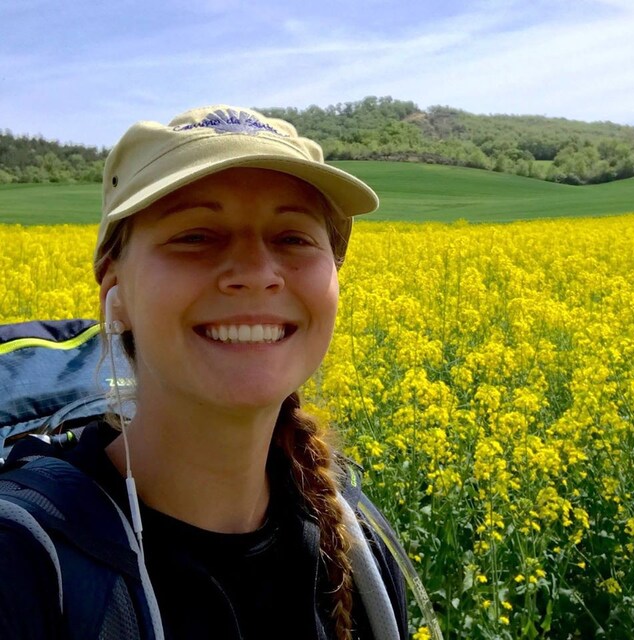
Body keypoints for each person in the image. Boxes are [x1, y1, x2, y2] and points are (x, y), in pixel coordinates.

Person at [0, 104, 409, 639]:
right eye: (195, 235)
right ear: (114, 292)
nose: (257, 273)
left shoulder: (358, 549)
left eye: (293, 238)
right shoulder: (22, 563)